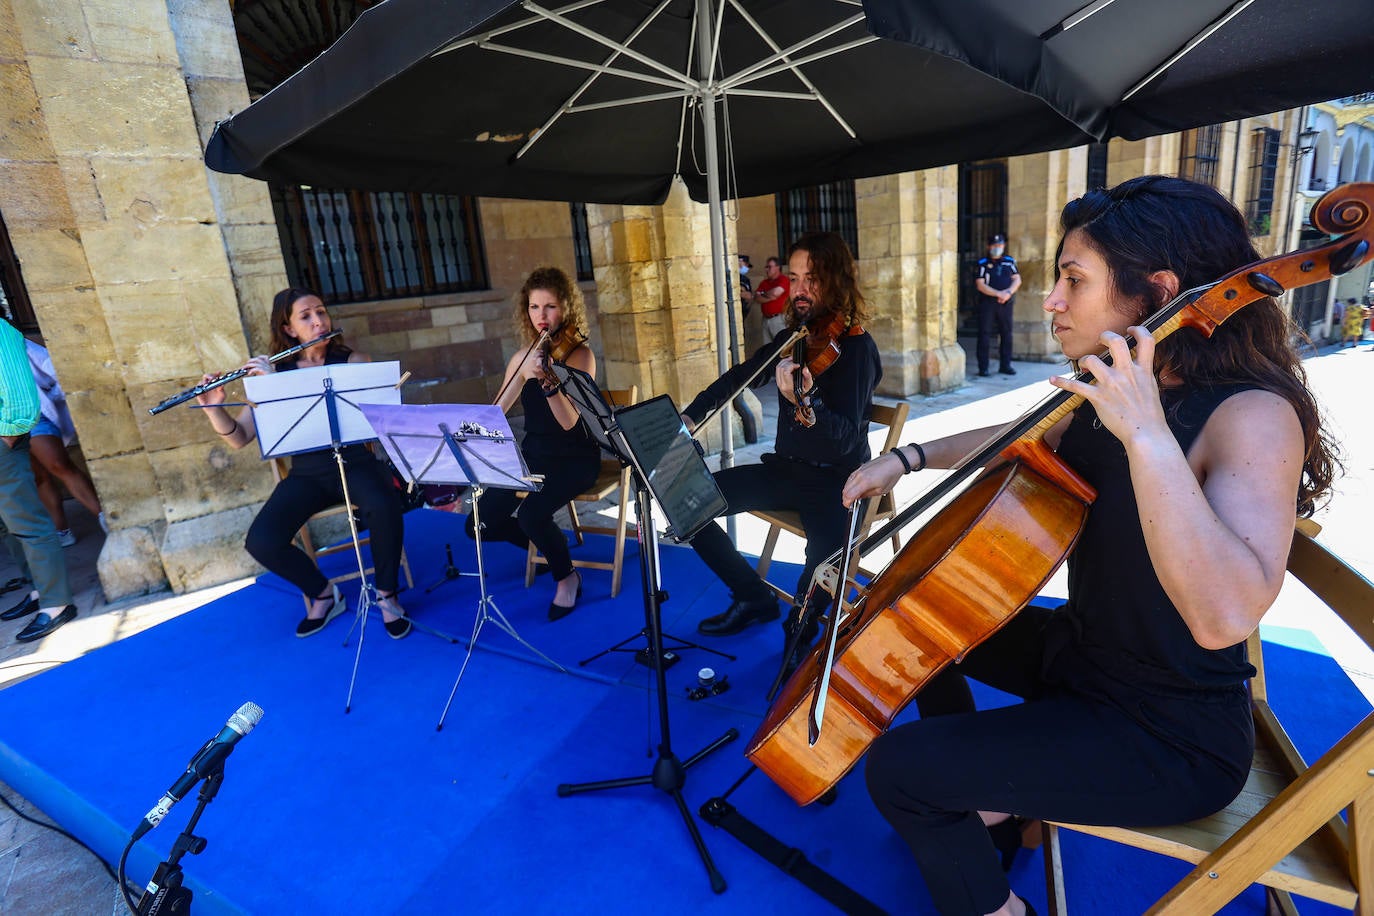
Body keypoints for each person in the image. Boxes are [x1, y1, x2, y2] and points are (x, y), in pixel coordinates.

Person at [841, 176, 1338, 916]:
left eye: (1074, 281)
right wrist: (910, 458)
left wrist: (1146, 435)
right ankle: (992, 801)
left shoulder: (1253, 415)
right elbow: (1021, 441)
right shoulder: (1127, 389)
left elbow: (1223, 615)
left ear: (1158, 291)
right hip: (1086, 659)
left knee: (899, 771)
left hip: (1169, 734)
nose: (1052, 301)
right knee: (915, 626)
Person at [681, 231, 881, 672]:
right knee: (687, 505)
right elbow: (741, 376)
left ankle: (799, 632)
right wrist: (690, 419)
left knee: (826, 559)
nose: (801, 290)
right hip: (786, 471)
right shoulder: (797, 337)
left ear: (837, 281)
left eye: (813, 279)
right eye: (794, 278)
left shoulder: (857, 349)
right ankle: (753, 597)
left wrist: (806, 402)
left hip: (837, 483)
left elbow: (846, 440)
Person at [196, 288, 412, 639]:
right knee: (262, 540)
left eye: (321, 313)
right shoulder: (274, 372)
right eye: (306, 316)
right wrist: (213, 408)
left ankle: (387, 595)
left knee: (384, 504)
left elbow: (386, 418)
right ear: (288, 330)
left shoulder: (353, 362)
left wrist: (279, 384)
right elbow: (238, 437)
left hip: (357, 462)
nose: (318, 321)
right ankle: (323, 593)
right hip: (308, 474)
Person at [465, 266, 599, 620]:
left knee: (531, 514)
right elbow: (498, 410)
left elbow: (570, 422)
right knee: (480, 523)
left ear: (566, 308)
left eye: (550, 306)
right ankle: (546, 548)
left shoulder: (579, 356)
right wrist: (522, 373)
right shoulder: (523, 356)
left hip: (574, 459)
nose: (542, 316)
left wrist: (547, 381)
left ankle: (567, 577)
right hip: (534, 457)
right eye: (534, 307)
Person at [0, 319, 77, 643]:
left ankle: (57, 603)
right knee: (8, 524)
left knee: (26, 520)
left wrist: (8, 434)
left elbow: (18, 391)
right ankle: (38, 589)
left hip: (4, 441)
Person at [24, 339, 104, 546]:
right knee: (38, 477)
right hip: (4, 423)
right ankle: (62, 530)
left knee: (59, 465)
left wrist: (49, 397)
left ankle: (108, 519)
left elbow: (59, 367)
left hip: (32, 414)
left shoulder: (14, 342)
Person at [973, 232, 1022, 377]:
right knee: (984, 334)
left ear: (1004, 245)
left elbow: (1017, 279)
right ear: (989, 246)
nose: (997, 248)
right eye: (994, 245)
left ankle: (1005, 365)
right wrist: (998, 294)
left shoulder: (1009, 262)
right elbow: (980, 285)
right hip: (987, 303)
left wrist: (1008, 293)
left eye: (1000, 245)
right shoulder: (982, 263)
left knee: (1006, 333)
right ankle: (983, 367)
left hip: (1005, 303)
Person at [755, 256, 792, 339]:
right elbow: (757, 298)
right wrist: (770, 296)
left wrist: (763, 293)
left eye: (769, 267)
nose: (766, 269)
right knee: (768, 348)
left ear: (777, 267)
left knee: (781, 346)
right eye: (766, 267)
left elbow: (776, 293)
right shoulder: (764, 282)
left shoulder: (783, 279)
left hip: (779, 319)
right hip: (765, 319)